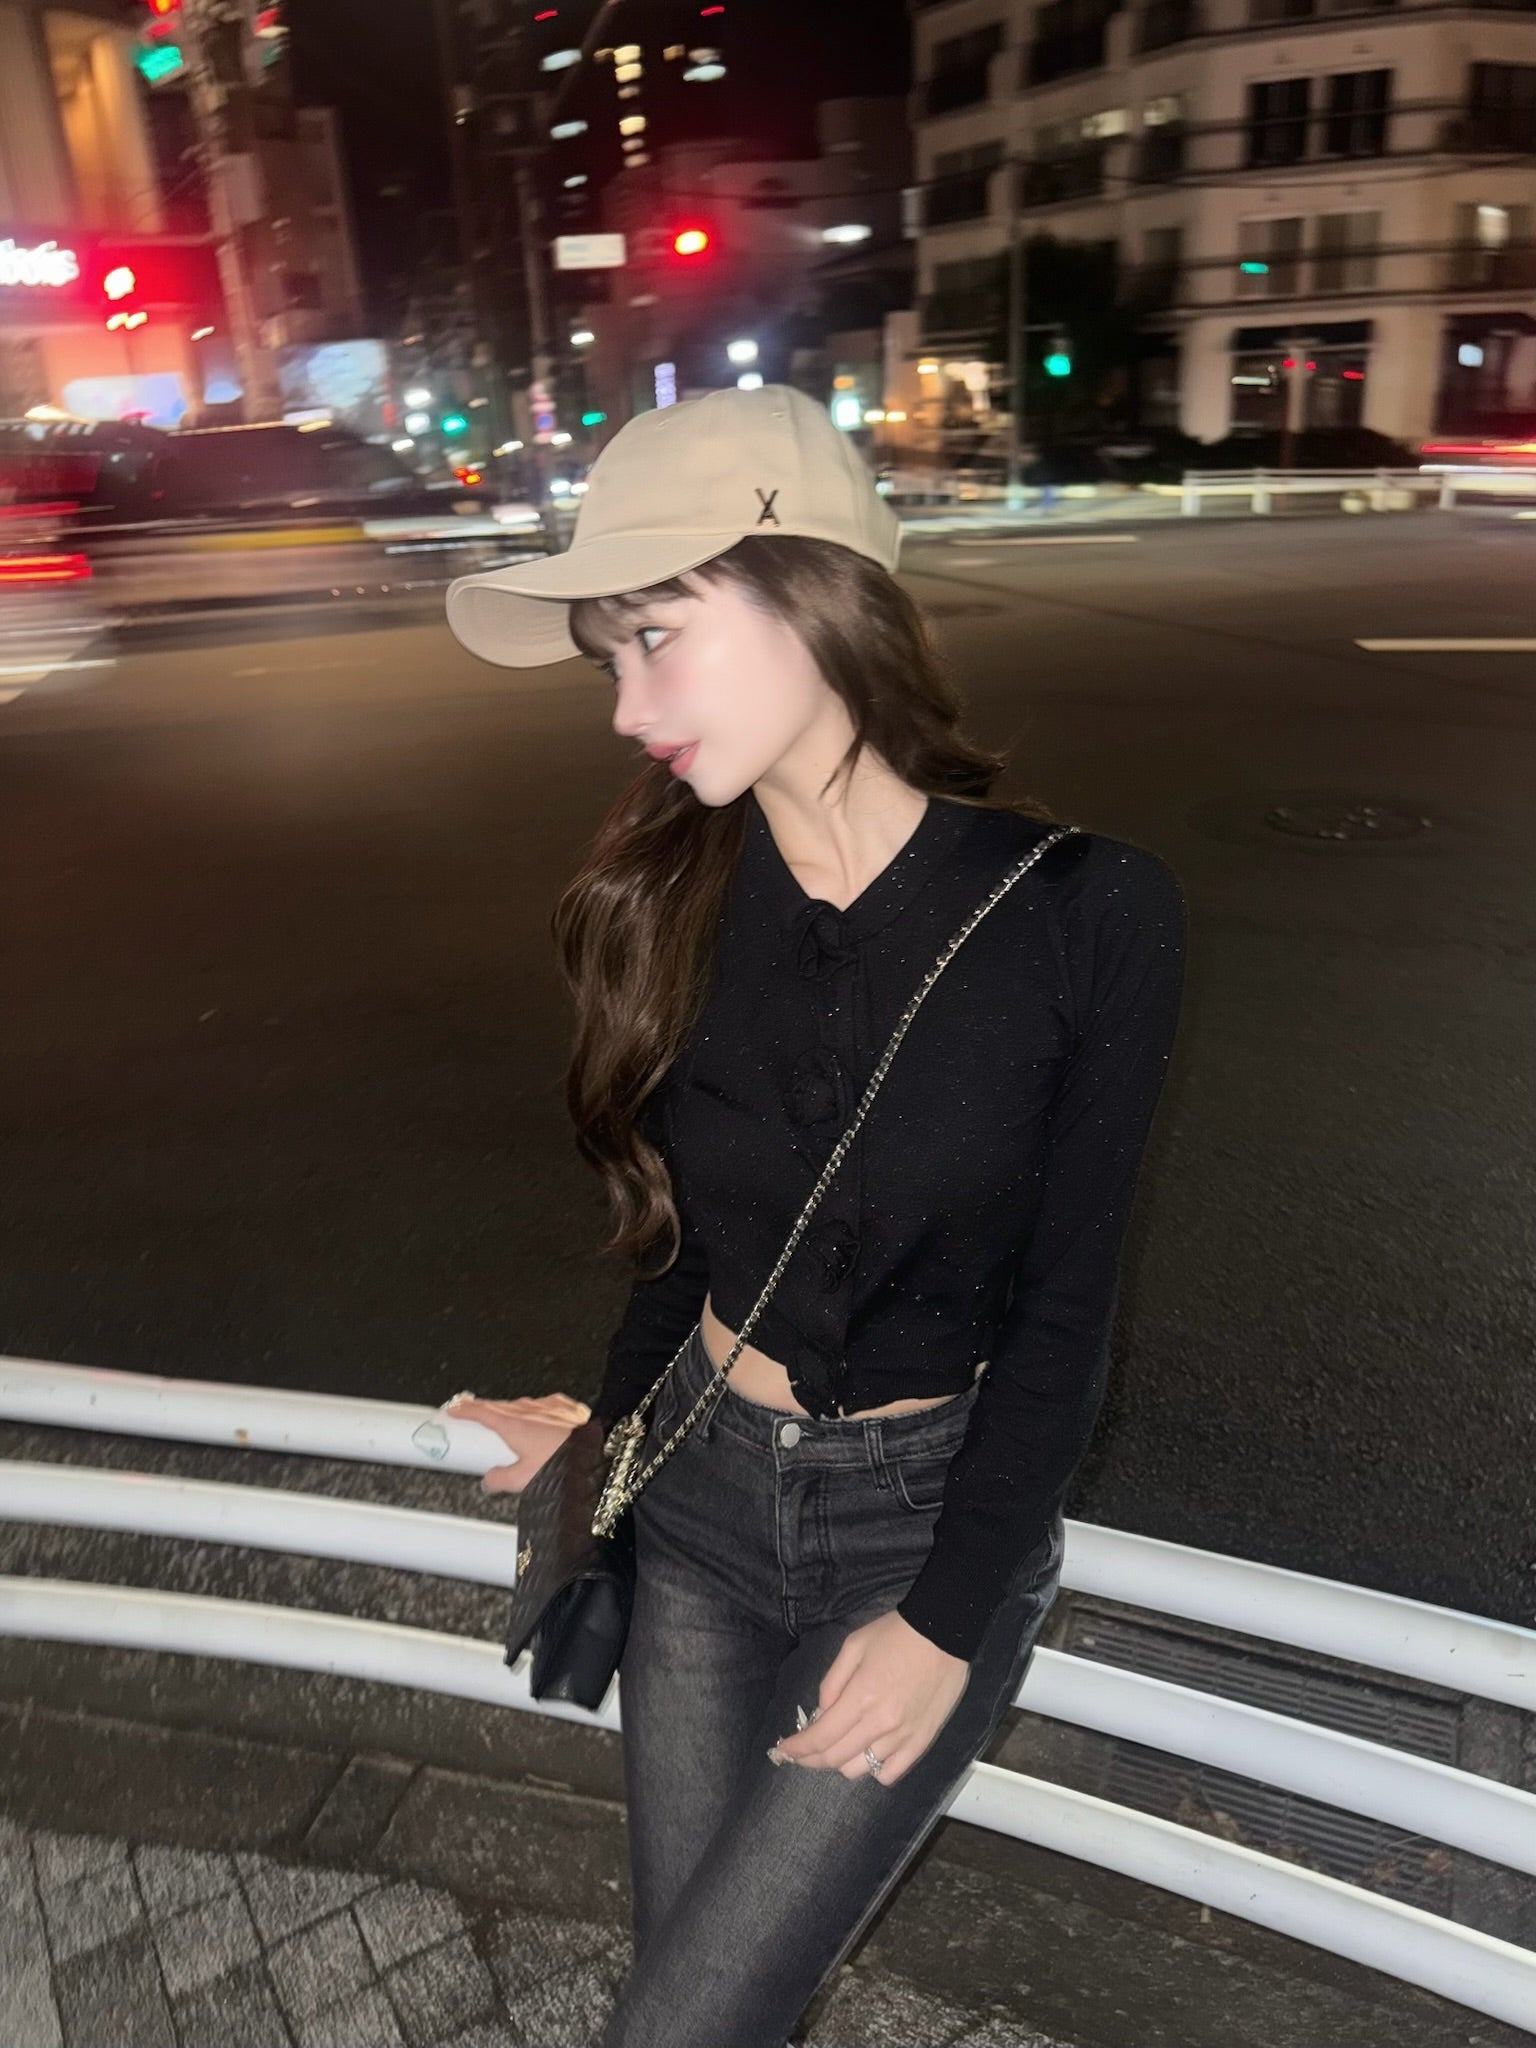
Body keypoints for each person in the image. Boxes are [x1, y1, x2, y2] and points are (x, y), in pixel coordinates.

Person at [438, 384, 1188, 2048]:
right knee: (707, 2003)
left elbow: (1069, 1312)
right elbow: (690, 1260)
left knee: (683, 2023)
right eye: (607, 659)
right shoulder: (673, 904)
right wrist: (601, 1444)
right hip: (700, 1511)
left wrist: (947, 1618)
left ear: (815, 594)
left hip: (920, 1533)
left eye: (656, 637)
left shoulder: (1090, 915)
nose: (626, 707)